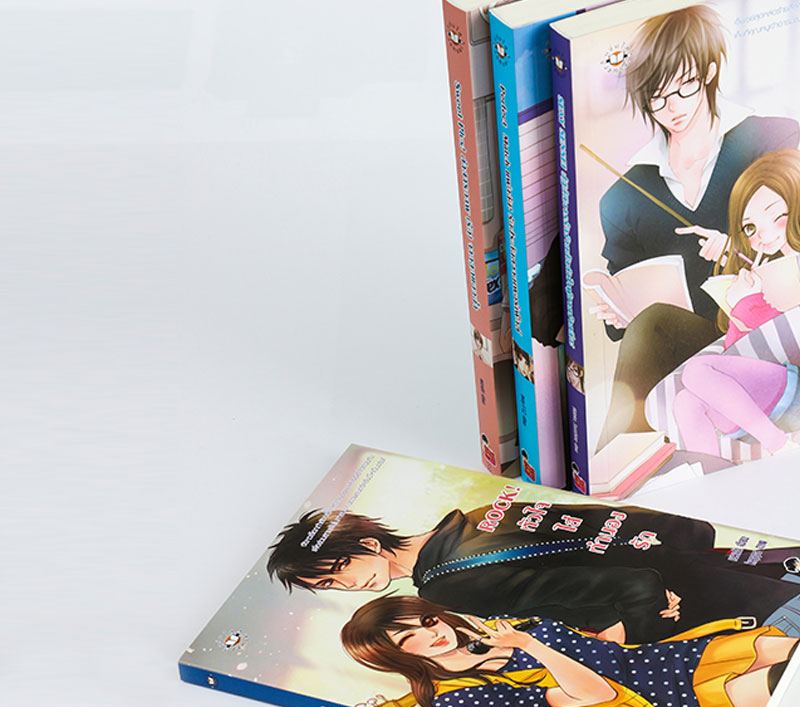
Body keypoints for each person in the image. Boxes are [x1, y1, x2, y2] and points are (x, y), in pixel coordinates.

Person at [588, 5, 799, 450]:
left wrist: (735, 251)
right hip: (707, 348)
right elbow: (627, 326)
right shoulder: (624, 198)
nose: (672, 107)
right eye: (657, 96)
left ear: (709, 71)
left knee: (660, 331)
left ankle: (618, 457)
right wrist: (616, 313)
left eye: (684, 86)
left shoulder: (773, 140)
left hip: (777, 339)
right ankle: (625, 460)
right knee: (653, 327)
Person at [267, 502, 800, 645]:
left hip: (726, 611)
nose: (347, 585)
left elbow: (628, 588)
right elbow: (622, 521)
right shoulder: (478, 514)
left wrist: (627, 634)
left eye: (339, 568)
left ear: (367, 543)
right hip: (732, 566)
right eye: (329, 586)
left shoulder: (445, 584)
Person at [340, 595, 798, 707]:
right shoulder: (459, 693)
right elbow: (598, 693)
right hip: (671, 699)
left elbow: (597, 642)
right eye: (408, 638)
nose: (432, 633)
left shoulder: (496, 625)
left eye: (425, 621)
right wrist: (528, 646)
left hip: (677, 656)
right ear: (396, 656)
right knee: (787, 682)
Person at [673, 149, 800, 458]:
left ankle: (779, 446)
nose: (763, 236)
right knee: (685, 402)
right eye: (751, 228)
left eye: (776, 216)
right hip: (765, 391)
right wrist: (737, 312)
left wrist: (747, 305)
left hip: (793, 384)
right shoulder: (763, 272)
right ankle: (711, 475)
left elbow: (787, 340)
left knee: (696, 370)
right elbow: (743, 351)